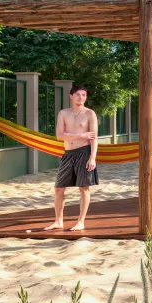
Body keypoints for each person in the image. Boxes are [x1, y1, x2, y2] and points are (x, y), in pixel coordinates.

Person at [45, 82, 98, 232]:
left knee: (84, 188)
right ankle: (58, 221)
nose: (81, 97)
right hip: (68, 154)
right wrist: (81, 135)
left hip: (84, 152)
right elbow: (60, 136)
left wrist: (92, 157)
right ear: (71, 96)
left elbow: (94, 137)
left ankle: (81, 221)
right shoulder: (63, 113)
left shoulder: (90, 114)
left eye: (84, 95)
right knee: (58, 188)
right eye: (78, 95)